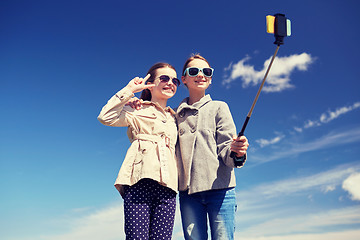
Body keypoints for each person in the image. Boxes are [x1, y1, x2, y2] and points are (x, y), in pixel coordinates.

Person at [97, 62, 180, 239]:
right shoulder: (136, 108)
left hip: (168, 187)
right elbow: (105, 117)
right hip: (139, 182)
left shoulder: (176, 118)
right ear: (150, 84)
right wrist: (129, 91)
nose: (170, 82)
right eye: (164, 78)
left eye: (175, 80)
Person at [176, 54, 249, 240]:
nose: (200, 75)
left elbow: (227, 149)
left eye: (206, 72)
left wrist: (237, 152)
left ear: (210, 79)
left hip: (221, 190)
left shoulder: (219, 107)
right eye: (194, 71)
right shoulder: (175, 116)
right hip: (188, 195)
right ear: (184, 78)